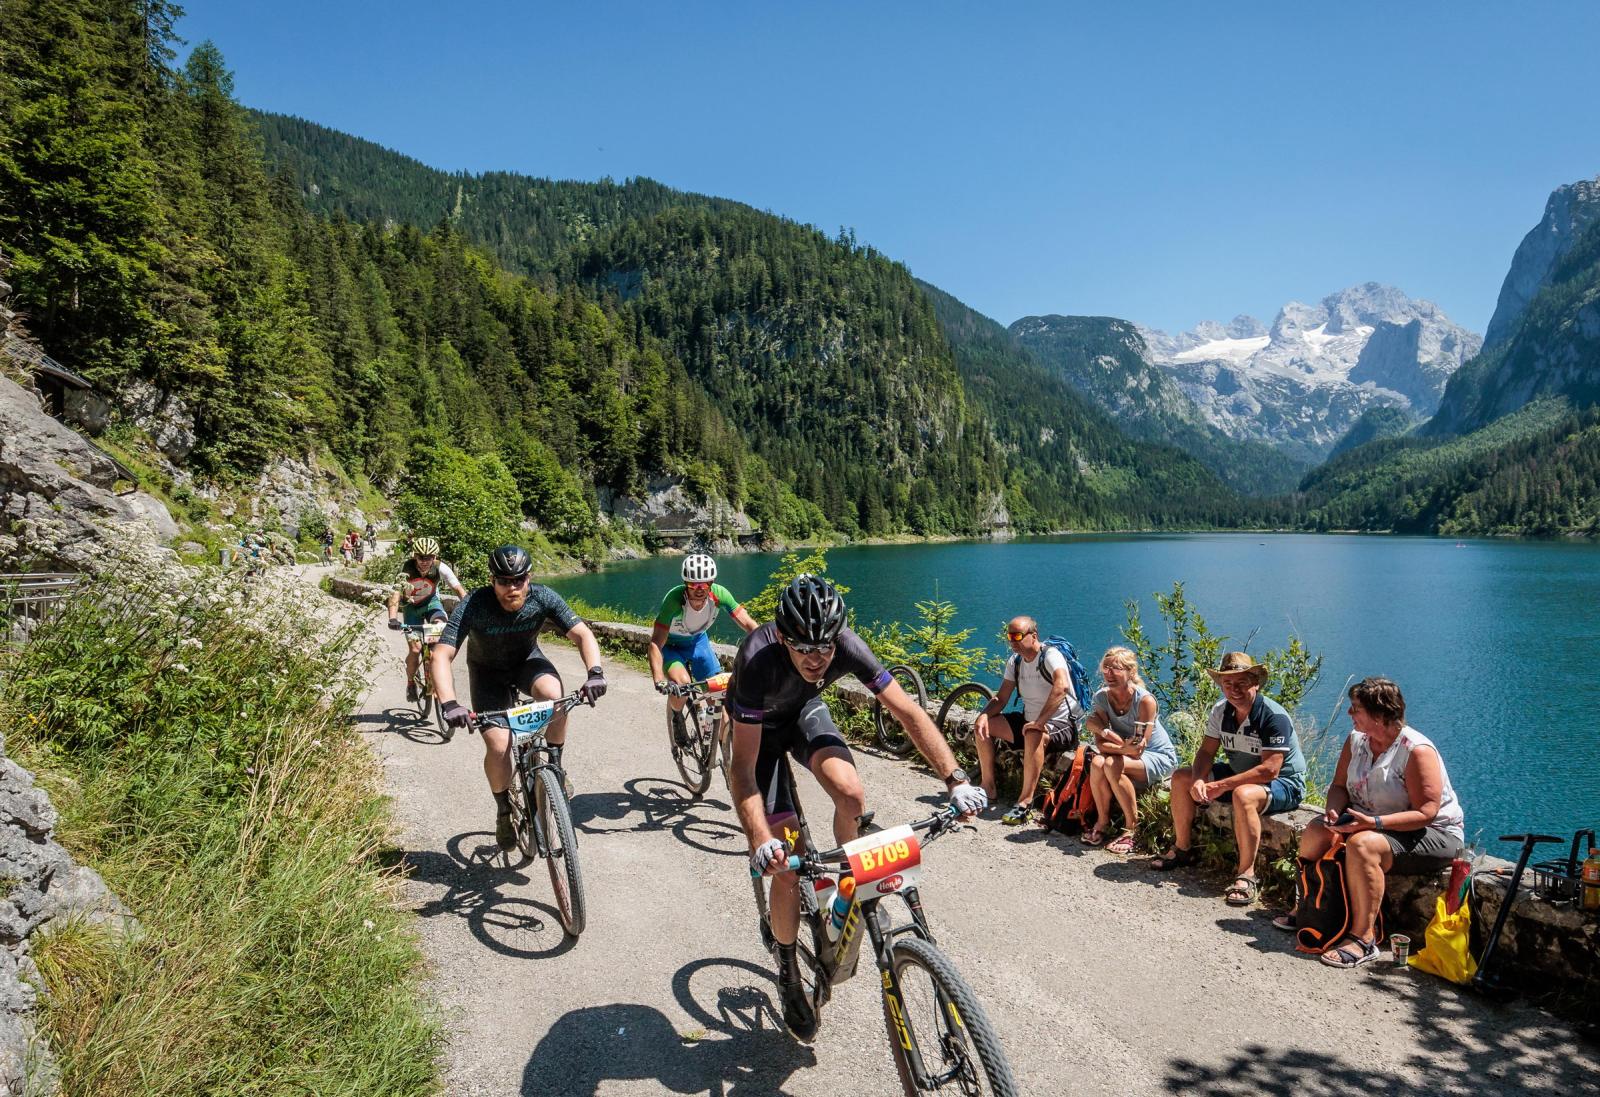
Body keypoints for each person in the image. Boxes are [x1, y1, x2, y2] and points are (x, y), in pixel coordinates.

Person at [731, 575, 986, 1041]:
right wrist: (761, 840)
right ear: (783, 638)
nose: (817, 659)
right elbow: (743, 769)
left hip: (803, 713)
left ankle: (851, 880)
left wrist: (955, 779)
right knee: (787, 867)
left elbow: (907, 712)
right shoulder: (755, 659)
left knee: (851, 794)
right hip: (759, 736)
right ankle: (789, 970)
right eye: (804, 648)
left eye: (825, 648)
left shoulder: (845, 645)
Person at [1275, 677, 1465, 968]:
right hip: (1371, 821)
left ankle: (1364, 938)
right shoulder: (1356, 741)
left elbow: (1427, 812)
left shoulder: (1415, 750)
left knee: (1364, 845)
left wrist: (1373, 823)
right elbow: (1339, 787)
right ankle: (1308, 909)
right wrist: (1333, 813)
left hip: (1432, 832)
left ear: (1380, 714)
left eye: (1356, 709)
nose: (1350, 715)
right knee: (1315, 831)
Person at [432, 545, 607, 851]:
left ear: (529, 578)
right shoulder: (474, 604)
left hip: (528, 663)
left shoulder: (543, 597)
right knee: (500, 746)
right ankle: (503, 810)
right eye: (503, 581)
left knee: (556, 698)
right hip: (487, 673)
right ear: (492, 580)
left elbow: (582, 634)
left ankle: (555, 766)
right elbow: (442, 655)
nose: (511, 587)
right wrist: (449, 703)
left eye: (518, 580)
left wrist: (594, 673)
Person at [1150, 652, 1306, 907]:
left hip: (1284, 783)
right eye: (1227, 684)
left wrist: (1220, 785)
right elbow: (1206, 752)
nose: (1234, 690)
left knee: (1243, 794)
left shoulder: (1273, 716)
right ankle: (1182, 849)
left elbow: (1270, 770)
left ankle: (1247, 874)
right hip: (1240, 775)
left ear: (1255, 682)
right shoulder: (1221, 712)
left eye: (1241, 683)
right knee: (1181, 778)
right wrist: (1200, 780)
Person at [971, 616, 1080, 825]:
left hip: (1062, 725)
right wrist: (983, 715)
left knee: (1032, 732)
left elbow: (1062, 686)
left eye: (1017, 636)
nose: (1013, 642)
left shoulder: (1050, 656)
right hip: (1030, 722)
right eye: (1009, 637)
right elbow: (1001, 698)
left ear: (1034, 635)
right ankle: (988, 788)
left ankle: (1024, 803)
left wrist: (1040, 722)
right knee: (983, 726)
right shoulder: (1016, 661)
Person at [649, 553, 757, 745]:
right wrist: (658, 678)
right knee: (682, 683)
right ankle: (676, 718)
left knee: (718, 697)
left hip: (698, 642)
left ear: (712, 582)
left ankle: (726, 755)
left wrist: (767, 648)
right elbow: (656, 642)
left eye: (705, 584)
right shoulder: (674, 601)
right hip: (671, 647)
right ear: (685, 583)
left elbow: (748, 624)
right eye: (693, 585)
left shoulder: (720, 594)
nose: (699, 589)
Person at [1082, 646, 1179, 853]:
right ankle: (1103, 821)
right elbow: (1100, 745)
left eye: (1116, 669)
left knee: (1109, 762)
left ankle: (1132, 829)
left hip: (1159, 757)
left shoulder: (1145, 701)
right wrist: (1112, 738)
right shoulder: (1101, 698)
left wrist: (1115, 745)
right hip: (1124, 754)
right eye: (1106, 668)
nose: (1109, 673)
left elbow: (1137, 750)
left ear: (1131, 672)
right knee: (1099, 762)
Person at [386, 536, 468, 703]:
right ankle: (410, 683)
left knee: (439, 631)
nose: (425, 561)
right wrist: (393, 617)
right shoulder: (406, 569)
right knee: (415, 650)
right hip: (411, 609)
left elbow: (458, 589)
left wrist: (470, 610)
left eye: (429, 557)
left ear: (435, 557)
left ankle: (436, 675)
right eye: (421, 557)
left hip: (431, 605)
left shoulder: (440, 568)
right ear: (415, 556)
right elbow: (394, 594)